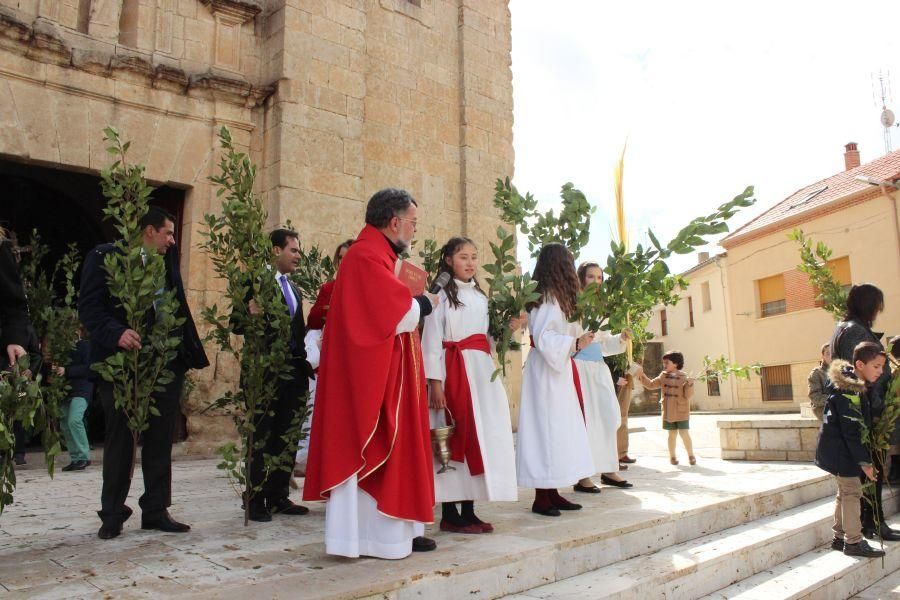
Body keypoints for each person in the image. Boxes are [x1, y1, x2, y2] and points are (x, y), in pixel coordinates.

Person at [303, 188, 439, 559]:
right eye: (412, 223)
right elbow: (394, 315)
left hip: (388, 374)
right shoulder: (365, 255)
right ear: (394, 222)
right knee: (372, 449)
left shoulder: (377, 254)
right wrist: (426, 303)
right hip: (370, 382)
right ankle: (368, 538)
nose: (414, 230)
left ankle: (390, 534)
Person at [79, 207, 209, 540]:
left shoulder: (165, 263)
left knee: (160, 439)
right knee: (121, 437)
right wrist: (116, 332)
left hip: (164, 365)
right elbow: (90, 308)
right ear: (149, 231)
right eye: (168, 232)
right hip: (123, 365)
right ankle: (112, 513)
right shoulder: (105, 257)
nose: (172, 239)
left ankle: (155, 509)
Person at [422, 237, 519, 534]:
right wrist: (435, 383)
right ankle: (450, 513)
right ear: (449, 260)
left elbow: (485, 339)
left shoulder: (480, 297)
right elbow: (432, 341)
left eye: (474, 257)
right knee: (455, 437)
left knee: (480, 437)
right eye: (463, 257)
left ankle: (470, 509)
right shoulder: (439, 297)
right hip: (454, 372)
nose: (470, 262)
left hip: (480, 373)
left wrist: (508, 329)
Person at [240, 229, 315, 522]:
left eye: (298, 251)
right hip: (265, 371)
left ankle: (278, 495)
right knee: (263, 435)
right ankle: (255, 498)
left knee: (288, 433)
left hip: (293, 371)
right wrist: (250, 314)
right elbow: (236, 321)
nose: (298, 256)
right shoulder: (254, 283)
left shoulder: (294, 289)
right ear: (275, 251)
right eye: (293, 250)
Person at [517, 243, 595, 517]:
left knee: (559, 430)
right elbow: (544, 337)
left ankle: (554, 491)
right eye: (569, 262)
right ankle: (542, 496)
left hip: (558, 371)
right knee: (545, 431)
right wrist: (574, 342)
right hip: (545, 373)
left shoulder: (559, 298)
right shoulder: (546, 298)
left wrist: (582, 335)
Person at [828, 283, 897, 541]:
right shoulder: (855, 331)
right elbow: (864, 374)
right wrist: (880, 404)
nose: (879, 311)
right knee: (870, 471)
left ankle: (869, 523)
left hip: (861, 410)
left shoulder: (844, 328)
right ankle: (872, 524)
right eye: (877, 306)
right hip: (866, 413)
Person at [816, 342, 887, 558]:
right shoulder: (849, 392)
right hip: (841, 451)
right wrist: (865, 463)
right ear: (859, 364)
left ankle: (839, 537)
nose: (881, 371)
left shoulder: (854, 385)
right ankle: (853, 542)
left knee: (844, 492)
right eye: (876, 366)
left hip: (839, 449)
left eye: (882, 366)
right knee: (852, 491)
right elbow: (851, 432)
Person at [571, 263, 633, 493]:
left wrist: (620, 338)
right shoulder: (572, 306)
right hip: (579, 368)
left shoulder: (600, 308)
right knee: (586, 421)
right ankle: (583, 475)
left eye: (599, 277)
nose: (596, 281)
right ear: (581, 278)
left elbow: (604, 344)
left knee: (608, 417)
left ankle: (608, 468)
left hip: (598, 368)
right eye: (590, 277)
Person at [295, 238, 353, 477]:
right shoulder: (330, 287)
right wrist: (332, 301)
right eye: (341, 257)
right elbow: (313, 319)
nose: (345, 261)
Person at [637, 351, 695, 466]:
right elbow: (651, 384)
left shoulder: (684, 377)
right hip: (668, 411)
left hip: (681, 410)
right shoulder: (663, 376)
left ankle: (691, 455)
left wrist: (690, 384)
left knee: (684, 433)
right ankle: (672, 457)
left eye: (667, 362)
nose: (664, 365)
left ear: (676, 364)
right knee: (671, 434)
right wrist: (641, 375)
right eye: (664, 362)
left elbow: (688, 396)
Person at [58, 328, 93, 471]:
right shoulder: (62, 350)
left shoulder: (85, 345)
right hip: (65, 390)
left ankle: (84, 457)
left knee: (74, 419)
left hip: (82, 389)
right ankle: (76, 458)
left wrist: (66, 371)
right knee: (65, 423)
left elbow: (89, 368)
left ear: (78, 331)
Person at [306, 239, 353, 330]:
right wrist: (328, 310)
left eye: (347, 257)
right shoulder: (328, 288)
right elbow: (312, 322)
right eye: (340, 257)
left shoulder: (364, 288)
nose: (341, 262)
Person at [807, 343, 832, 421]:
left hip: (837, 407)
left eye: (833, 353)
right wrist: (834, 399)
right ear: (822, 356)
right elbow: (815, 398)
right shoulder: (817, 373)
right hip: (822, 409)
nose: (831, 356)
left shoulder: (840, 371)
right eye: (828, 353)